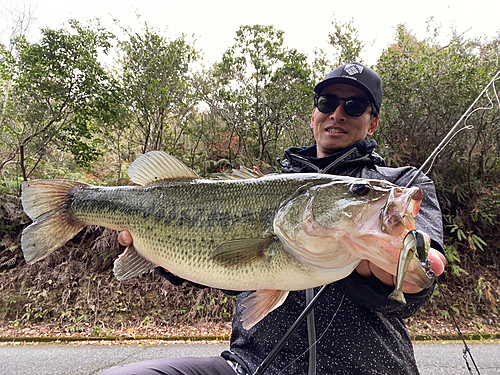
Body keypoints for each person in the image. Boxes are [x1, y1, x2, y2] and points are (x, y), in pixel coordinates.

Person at [100, 62, 446, 375]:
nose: (337, 114)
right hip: (253, 366)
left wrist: (399, 280)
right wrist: (163, 253)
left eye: (354, 106)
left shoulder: (402, 186)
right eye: (327, 103)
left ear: (372, 123)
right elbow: (229, 270)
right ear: (313, 116)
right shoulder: (263, 186)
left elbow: (417, 287)